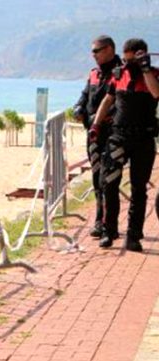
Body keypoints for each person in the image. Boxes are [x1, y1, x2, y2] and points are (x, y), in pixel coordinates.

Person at [93, 38, 159, 252]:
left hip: (144, 140)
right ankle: (108, 231)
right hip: (118, 137)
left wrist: (146, 69)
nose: (129, 62)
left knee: (138, 189)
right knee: (108, 183)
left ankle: (133, 236)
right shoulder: (118, 74)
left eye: (134, 57)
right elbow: (107, 100)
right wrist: (95, 125)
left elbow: (156, 93)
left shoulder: (154, 74)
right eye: (127, 56)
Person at [73, 35, 122, 238]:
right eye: (92, 51)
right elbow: (85, 96)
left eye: (97, 50)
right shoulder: (94, 74)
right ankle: (99, 221)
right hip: (93, 135)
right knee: (96, 178)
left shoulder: (121, 73)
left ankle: (109, 226)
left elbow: (121, 104)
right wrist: (78, 108)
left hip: (113, 134)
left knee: (109, 181)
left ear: (109, 49)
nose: (93, 55)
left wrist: (99, 118)